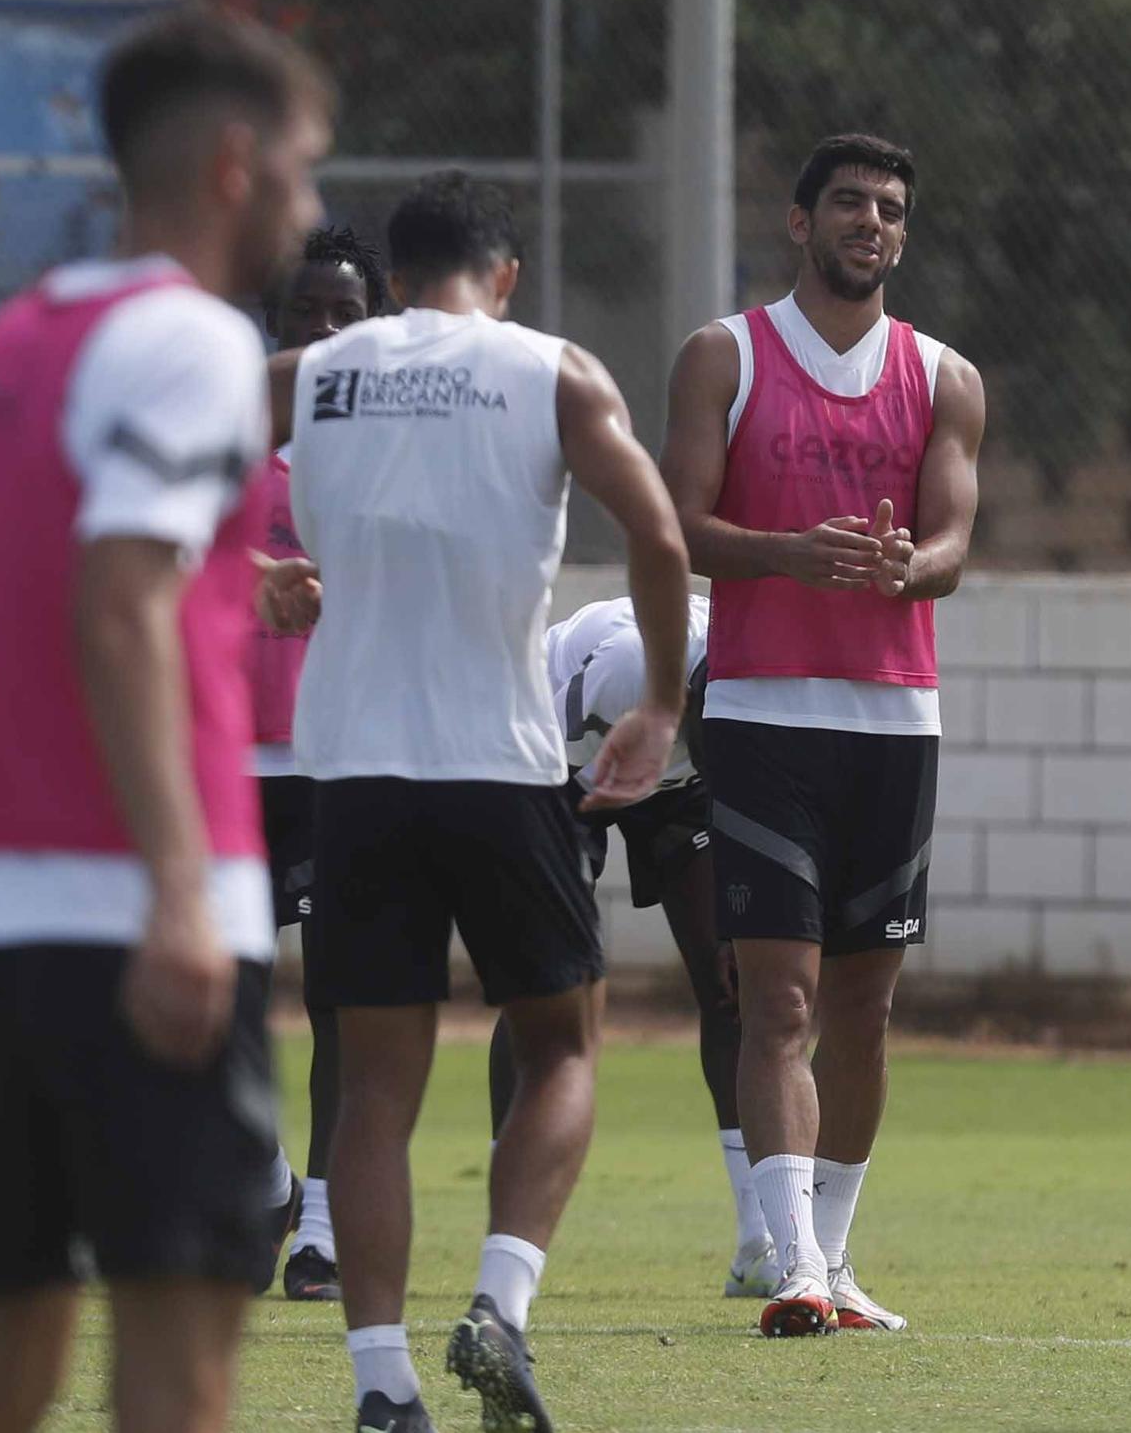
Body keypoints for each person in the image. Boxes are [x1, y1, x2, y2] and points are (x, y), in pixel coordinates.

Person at [0, 10, 328, 1433]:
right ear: (236, 165)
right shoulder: (196, 344)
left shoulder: (12, 345)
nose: (315, 209)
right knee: (182, 1379)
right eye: (308, 170)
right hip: (137, 911)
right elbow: (121, 606)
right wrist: (180, 893)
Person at [266, 170, 690, 1433]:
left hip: (350, 769)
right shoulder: (550, 371)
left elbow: (153, 483)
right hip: (498, 766)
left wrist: (248, 574)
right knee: (560, 1040)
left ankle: (382, 1385)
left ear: (391, 282)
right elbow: (662, 541)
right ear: (502, 278)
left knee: (374, 1090)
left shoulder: (309, 375)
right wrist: (656, 705)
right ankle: (500, 1300)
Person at [659, 133, 986, 1338]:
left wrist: (911, 570)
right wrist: (785, 555)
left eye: (890, 209)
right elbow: (679, 527)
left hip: (894, 722)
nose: (871, 223)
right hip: (761, 715)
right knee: (777, 1001)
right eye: (847, 203)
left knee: (864, 1007)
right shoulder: (724, 357)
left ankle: (832, 1259)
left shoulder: (944, 375)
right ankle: (788, 1263)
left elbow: (951, 544)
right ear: (799, 223)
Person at [484, 593, 781, 1299]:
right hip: (566, 761)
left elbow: (752, 803)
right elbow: (535, 771)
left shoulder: (759, 684)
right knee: (547, 982)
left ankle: (760, 1239)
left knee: (736, 982)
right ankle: (509, 1217)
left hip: (681, 788)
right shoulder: (625, 671)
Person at [247, 225, 392, 1303]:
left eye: (345, 315)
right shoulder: (221, 438)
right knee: (217, 1000)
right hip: (224, 759)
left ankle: (325, 1231)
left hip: (344, 759)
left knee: (342, 1002)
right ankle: (257, 1184)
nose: (324, 334)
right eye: (305, 315)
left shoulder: (392, 451)